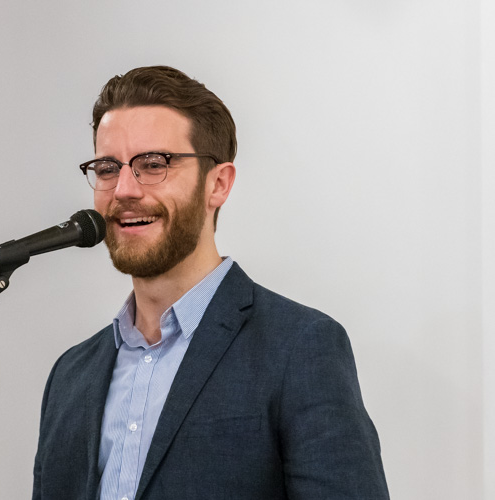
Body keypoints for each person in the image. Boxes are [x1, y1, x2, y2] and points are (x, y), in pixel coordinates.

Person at [32, 66, 389, 500]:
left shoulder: (299, 348)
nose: (124, 189)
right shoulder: (71, 374)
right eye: (108, 168)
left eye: (153, 164)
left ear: (218, 184)